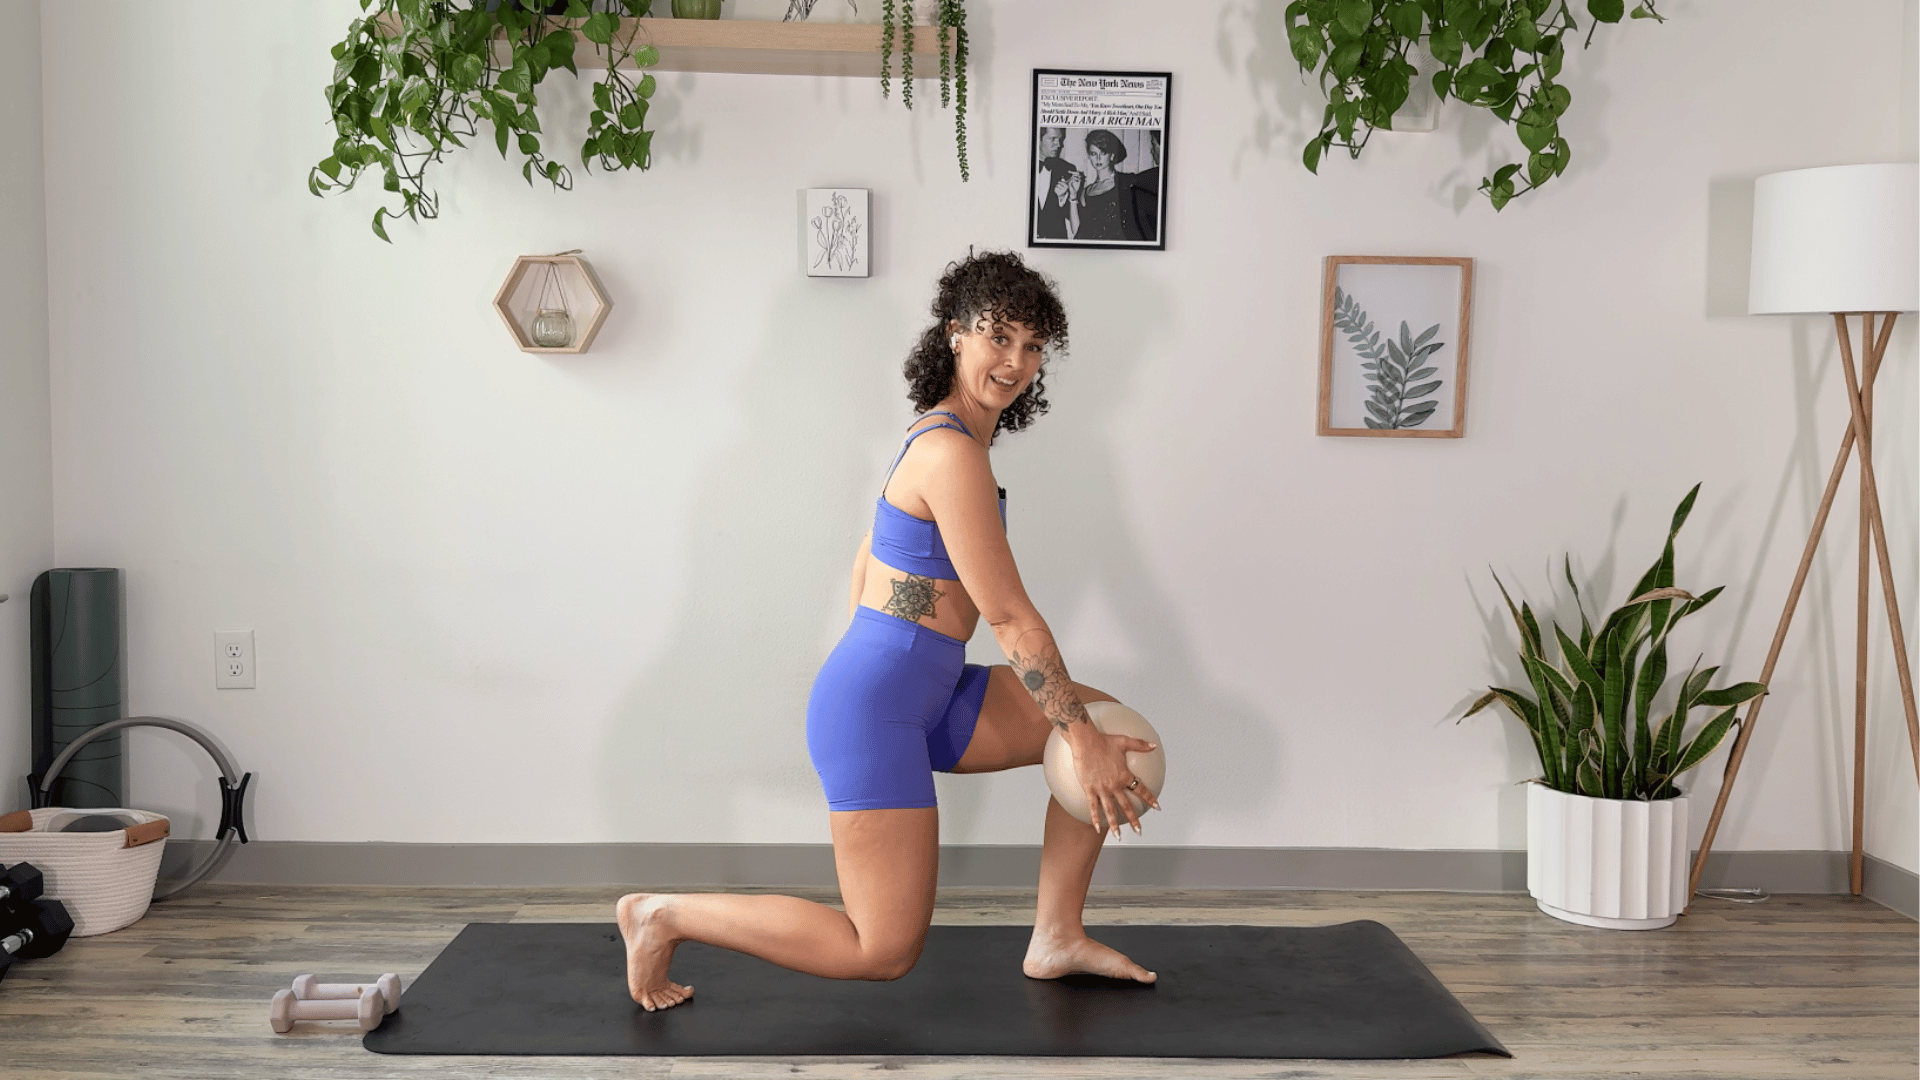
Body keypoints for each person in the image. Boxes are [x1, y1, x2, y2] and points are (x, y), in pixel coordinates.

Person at [616, 250, 1162, 1011]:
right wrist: (1077, 742)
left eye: (1033, 345)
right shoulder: (949, 452)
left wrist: (911, 653)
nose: (1016, 361)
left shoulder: (943, 440)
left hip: (924, 687)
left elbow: (868, 563)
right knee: (882, 949)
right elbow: (1009, 617)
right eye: (999, 336)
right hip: (877, 708)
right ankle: (662, 914)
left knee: (1108, 720)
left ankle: (1056, 936)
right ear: (956, 334)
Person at [1073, 130, 1133, 242]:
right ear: (1089, 156)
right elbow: (1077, 231)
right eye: (1093, 154)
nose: (1098, 158)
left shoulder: (1126, 183)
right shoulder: (1086, 192)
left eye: (1103, 153)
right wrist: (1072, 195)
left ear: (1112, 156)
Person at [1033, 126, 1078, 240]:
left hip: (1055, 241)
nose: (1059, 145)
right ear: (1037, 138)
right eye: (1053, 139)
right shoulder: (1021, 166)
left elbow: (1074, 220)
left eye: (1060, 139)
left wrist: (1063, 198)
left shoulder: (1067, 169)